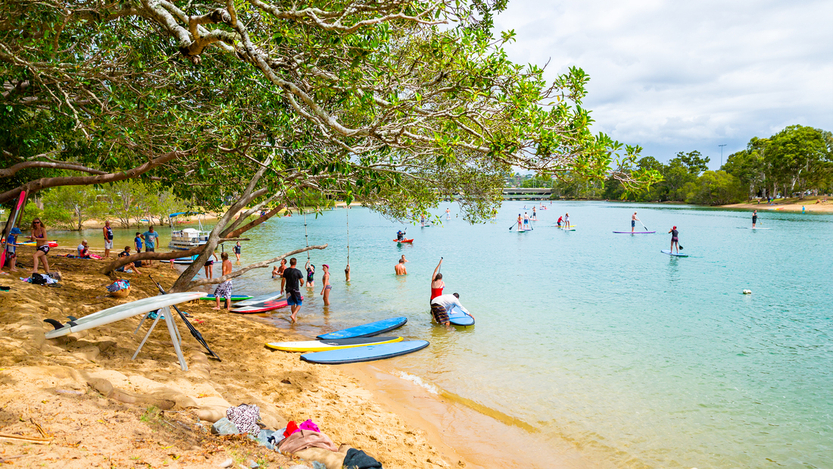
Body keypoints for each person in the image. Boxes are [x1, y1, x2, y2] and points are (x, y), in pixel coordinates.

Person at [282, 257, 305, 323]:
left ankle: (293, 318)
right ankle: (293, 314)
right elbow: (301, 280)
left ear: (290, 263)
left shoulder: (286, 271)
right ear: (296, 263)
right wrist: (302, 284)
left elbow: (283, 280)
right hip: (295, 290)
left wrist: (281, 288)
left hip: (288, 290)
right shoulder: (298, 271)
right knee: (299, 303)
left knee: (292, 304)